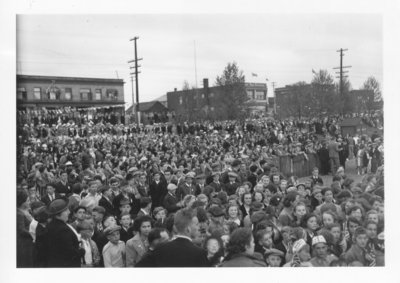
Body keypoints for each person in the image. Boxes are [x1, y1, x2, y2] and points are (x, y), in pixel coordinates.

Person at [143, 208, 209, 267]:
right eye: (196, 224)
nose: (198, 227)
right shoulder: (199, 253)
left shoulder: (160, 248)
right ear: (188, 229)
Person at [46, 198, 85, 267]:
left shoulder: (50, 225)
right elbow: (70, 253)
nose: (69, 212)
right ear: (58, 214)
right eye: (66, 210)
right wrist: (82, 251)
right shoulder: (63, 230)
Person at [17, 190, 34, 267]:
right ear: (22, 202)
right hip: (25, 243)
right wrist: (33, 234)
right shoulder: (19, 213)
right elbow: (21, 230)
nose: (29, 202)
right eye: (27, 201)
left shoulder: (27, 210)